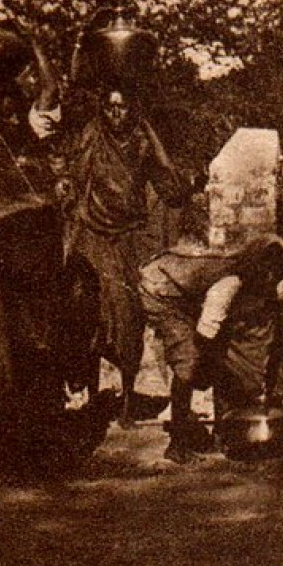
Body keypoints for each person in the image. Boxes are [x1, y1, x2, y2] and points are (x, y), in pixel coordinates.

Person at [0, 22, 107, 479]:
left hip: (12, 255)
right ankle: (6, 454)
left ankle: (10, 451)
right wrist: (30, 41)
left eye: (16, 110)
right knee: (1, 352)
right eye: (7, 111)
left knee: (14, 352)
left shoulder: (7, 129)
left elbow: (50, 90)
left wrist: (30, 41)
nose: (13, 116)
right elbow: (48, 89)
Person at [62, 66, 195, 428]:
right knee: (88, 312)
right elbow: (74, 181)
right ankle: (89, 394)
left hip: (128, 237)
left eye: (122, 108)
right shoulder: (92, 135)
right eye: (109, 108)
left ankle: (126, 399)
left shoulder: (140, 140)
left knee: (129, 316)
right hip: (93, 235)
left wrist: (153, 138)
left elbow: (169, 182)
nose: (115, 114)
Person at [138, 227, 283, 463]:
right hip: (160, 289)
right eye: (269, 275)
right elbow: (206, 337)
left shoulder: (251, 274)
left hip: (181, 288)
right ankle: (177, 444)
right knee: (188, 361)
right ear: (259, 269)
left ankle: (212, 432)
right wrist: (226, 371)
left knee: (210, 360)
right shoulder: (227, 284)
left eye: (277, 276)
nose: (272, 282)